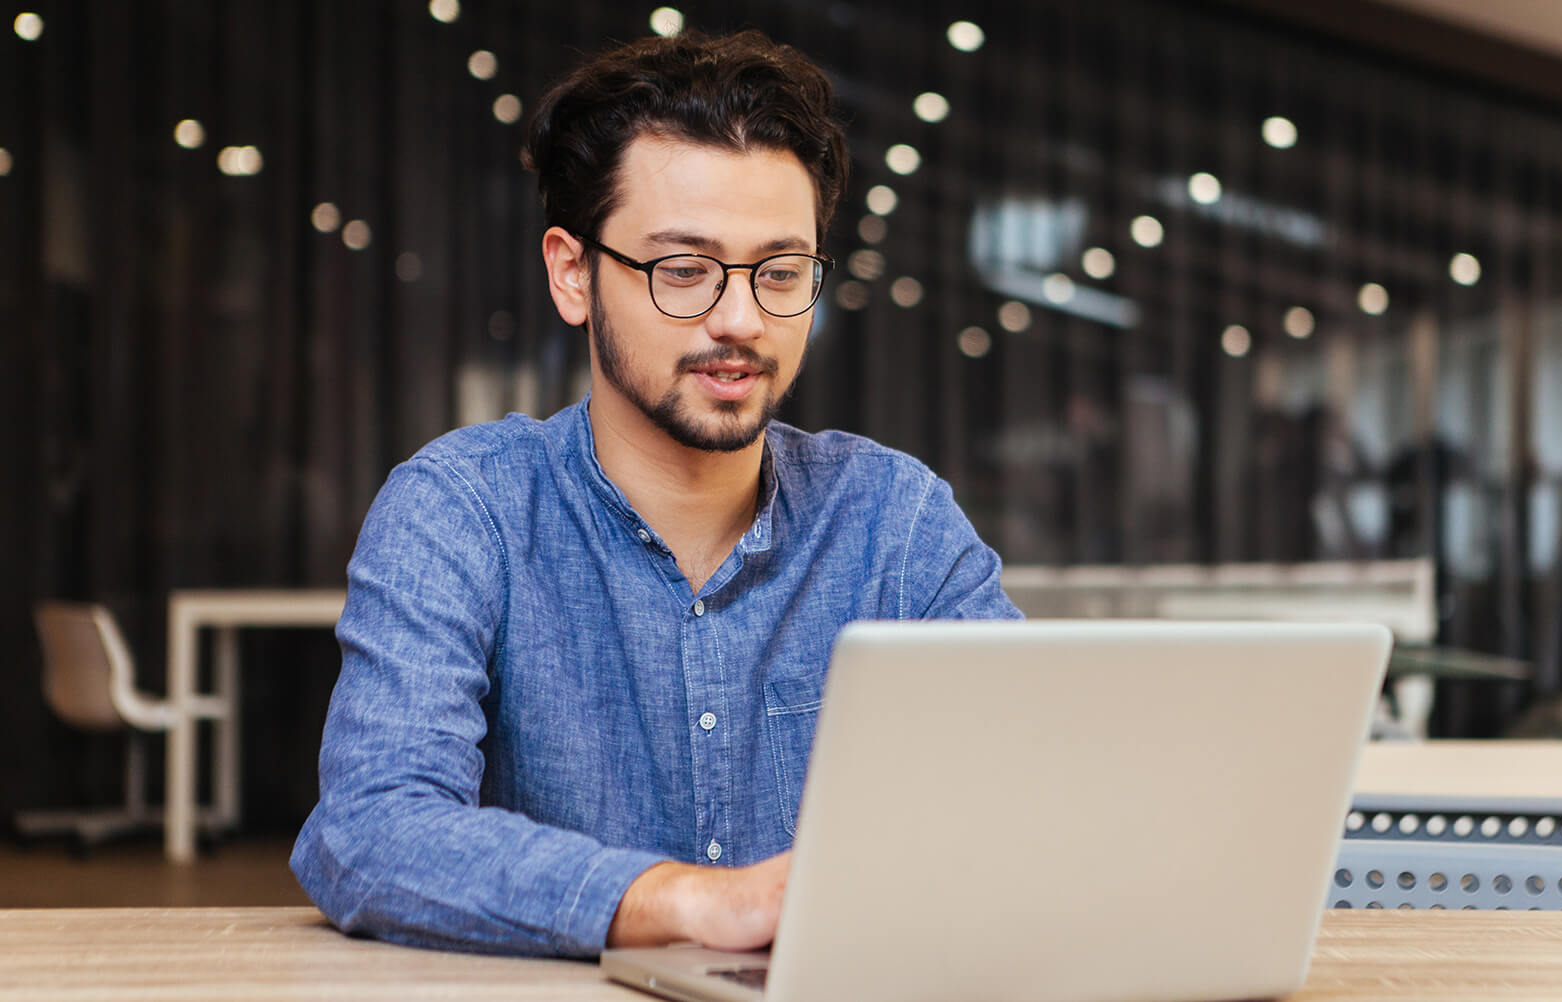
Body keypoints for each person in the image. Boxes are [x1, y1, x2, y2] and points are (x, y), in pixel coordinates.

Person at [289, 29, 1020, 957]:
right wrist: (684, 903)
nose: (741, 319)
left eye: (782, 273)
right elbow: (370, 833)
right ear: (572, 273)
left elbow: (1023, 801)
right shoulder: (462, 508)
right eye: (683, 271)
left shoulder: (894, 519)